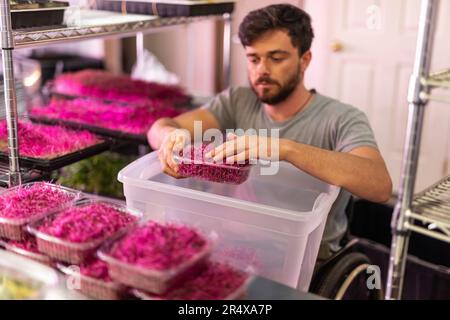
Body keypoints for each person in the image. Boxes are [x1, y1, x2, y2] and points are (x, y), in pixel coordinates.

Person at [148, 4, 392, 262]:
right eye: (254, 59)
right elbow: (159, 128)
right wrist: (171, 139)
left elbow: (379, 185)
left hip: (302, 258)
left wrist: (285, 149)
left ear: (304, 60)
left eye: (276, 58)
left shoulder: (340, 119)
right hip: (233, 245)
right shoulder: (237, 101)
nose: (262, 69)